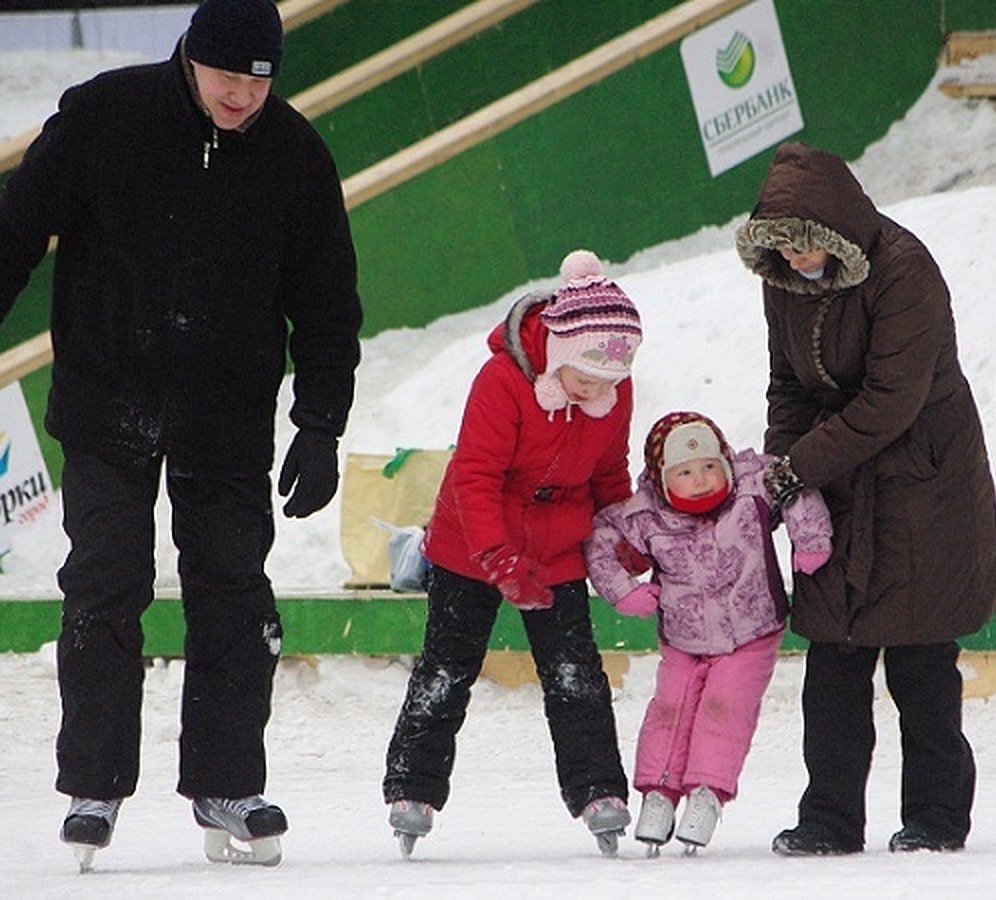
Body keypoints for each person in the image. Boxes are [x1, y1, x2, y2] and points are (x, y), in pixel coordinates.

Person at [0, 0, 363, 869]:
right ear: (189, 60)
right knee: (104, 582)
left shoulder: (295, 154)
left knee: (234, 590)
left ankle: (227, 783)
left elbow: (326, 304)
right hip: (107, 400)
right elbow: (13, 231)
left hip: (226, 413)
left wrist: (320, 424)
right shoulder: (104, 115)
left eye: (260, 81)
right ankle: (94, 784)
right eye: (228, 77)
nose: (243, 96)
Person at [735, 142, 996, 856]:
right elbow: (788, 387)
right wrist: (785, 476)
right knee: (833, 663)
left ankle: (937, 819)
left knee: (919, 662)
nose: (792, 258)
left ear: (836, 228)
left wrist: (800, 466)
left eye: (803, 243)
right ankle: (828, 820)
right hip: (841, 486)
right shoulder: (782, 280)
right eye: (779, 246)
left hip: (923, 483)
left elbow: (892, 401)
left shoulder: (904, 271)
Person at [382, 249, 641, 858]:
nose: (598, 391)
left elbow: (610, 475)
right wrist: (497, 558)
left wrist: (626, 541)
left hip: (556, 547)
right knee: (447, 668)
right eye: (586, 378)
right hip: (472, 543)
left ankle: (598, 789)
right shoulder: (502, 382)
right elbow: (474, 478)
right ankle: (413, 788)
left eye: (611, 381)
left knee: (575, 673)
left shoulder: (610, 393)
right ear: (556, 350)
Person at [585, 410, 833, 855]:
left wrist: (810, 539)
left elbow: (796, 486)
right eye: (684, 472)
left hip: (751, 630)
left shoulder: (751, 488)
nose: (699, 479)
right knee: (670, 709)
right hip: (683, 638)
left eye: (707, 466)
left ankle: (706, 794)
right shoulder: (647, 515)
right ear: (663, 481)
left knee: (726, 707)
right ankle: (658, 794)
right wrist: (623, 591)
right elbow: (600, 538)